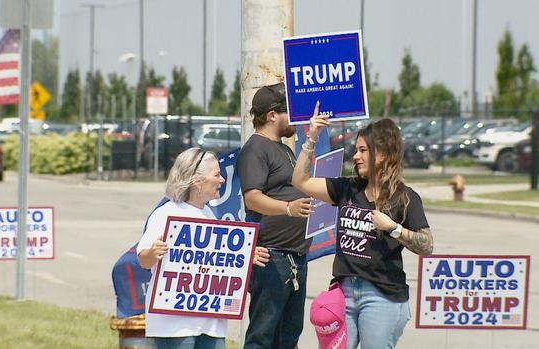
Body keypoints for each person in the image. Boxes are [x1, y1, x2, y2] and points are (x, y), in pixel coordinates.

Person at [292, 102, 434, 349]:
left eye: (362, 150)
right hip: (343, 293)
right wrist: (311, 137)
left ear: (381, 154)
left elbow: (427, 245)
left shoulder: (405, 198)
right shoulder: (347, 189)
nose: (355, 156)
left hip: (382, 296)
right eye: (355, 150)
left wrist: (394, 227)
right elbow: (300, 180)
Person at [137, 147, 270, 349]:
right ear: (197, 182)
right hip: (174, 327)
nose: (222, 180)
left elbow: (216, 259)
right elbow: (143, 260)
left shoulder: (209, 213)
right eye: (216, 175)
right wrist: (153, 252)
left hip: (211, 324)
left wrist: (244, 255)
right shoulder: (166, 213)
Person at [237, 82, 315, 349]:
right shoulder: (255, 149)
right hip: (271, 256)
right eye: (289, 112)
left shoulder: (284, 148)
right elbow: (252, 198)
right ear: (272, 115)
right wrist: (288, 209)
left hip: (295, 255)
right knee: (263, 334)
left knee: (289, 335)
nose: (295, 118)